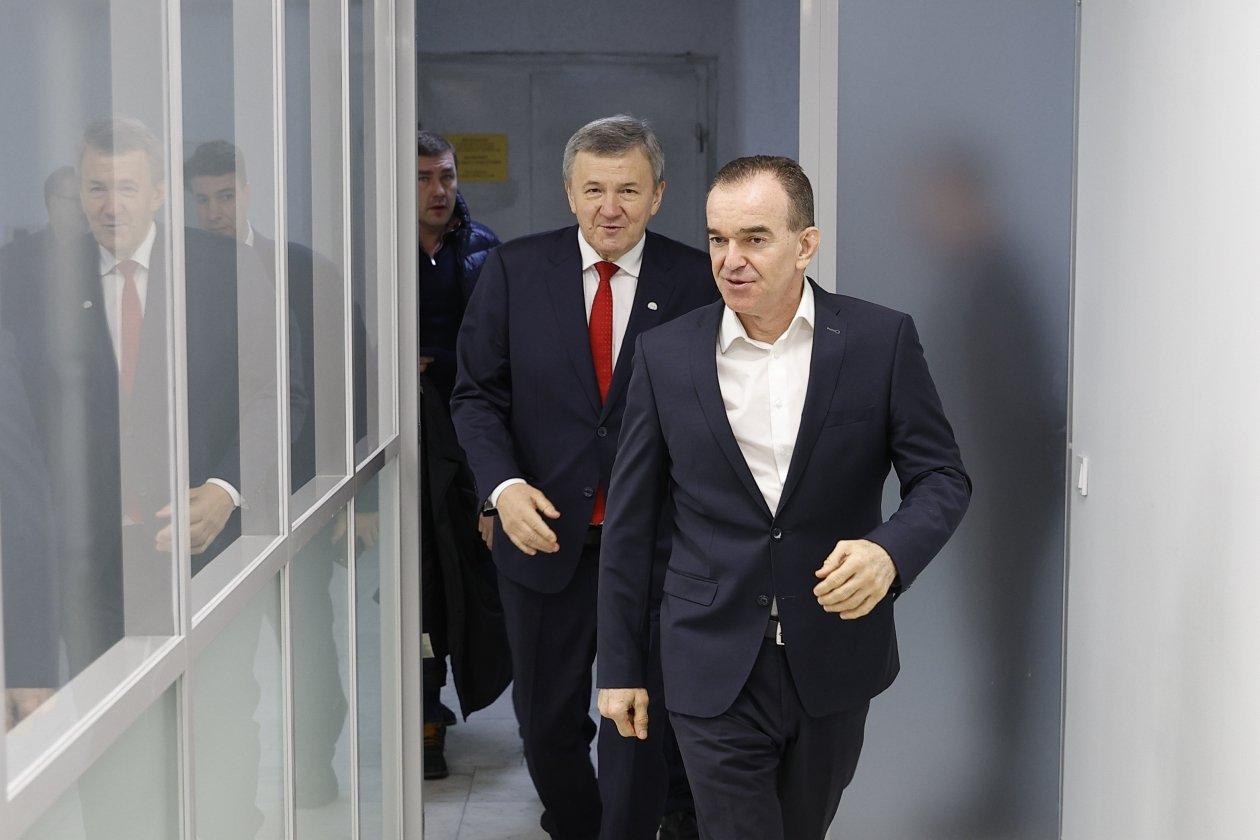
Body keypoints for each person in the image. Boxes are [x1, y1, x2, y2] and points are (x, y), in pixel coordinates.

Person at [596, 155, 971, 840]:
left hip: (833, 655)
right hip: (709, 658)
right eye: (717, 239)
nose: (730, 259)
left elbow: (943, 477)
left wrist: (889, 555)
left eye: (755, 238)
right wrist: (619, 667)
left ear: (805, 244)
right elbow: (629, 524)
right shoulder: (664, 354)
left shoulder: (879, 341)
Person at [451, 115, 715, 840]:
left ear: (658, 195)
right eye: (594, 189)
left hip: (658, 546)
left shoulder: (698, 281)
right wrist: (502, 489)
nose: (610, 207)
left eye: (628, 190)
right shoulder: (514, 270)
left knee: (639, 724)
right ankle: (575, 825)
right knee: (545, 726)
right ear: (569, 193)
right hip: (543, 542)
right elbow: (475, 397)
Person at [412, 129, 511, 779]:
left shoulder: (483, 251)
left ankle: (513, 701)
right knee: (419, 583)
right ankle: (426, 716)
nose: (439, 190)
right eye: (423, 178)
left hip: (468, 438)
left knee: (473, 580)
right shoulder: (377, 251)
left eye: (446, 176)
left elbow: (501, 354)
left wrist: (434, 362)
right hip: (405, 444)